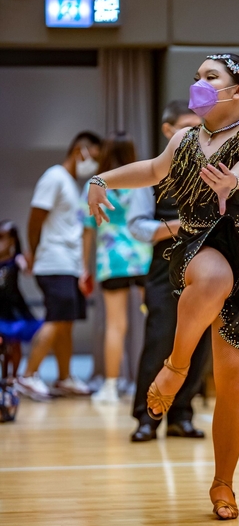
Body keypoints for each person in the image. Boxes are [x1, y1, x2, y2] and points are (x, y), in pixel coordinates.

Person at [88, 54, 239, 520]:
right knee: (213, 274)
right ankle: (177, 366)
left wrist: (233, 179)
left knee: (233, 385)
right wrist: (102, 179)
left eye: (210, 77)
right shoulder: (184, 138)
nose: (198, 83)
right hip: (199, 248)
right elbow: (152, 170)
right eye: (197, 76)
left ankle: (223, 483)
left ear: (238, 90)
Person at [127, 100, 209, 441]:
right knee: (160, 339)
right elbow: (138, 227)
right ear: (168, 130)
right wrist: (181, 225)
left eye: (200, 127)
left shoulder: (212, 169)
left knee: (199, 342)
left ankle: (181, 415)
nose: (196, 133)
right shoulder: (153, 173)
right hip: (164, 268)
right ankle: (147, 417)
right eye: (189, 126)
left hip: (205, 269)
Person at [20, 131, 102, 398]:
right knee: (55, 319)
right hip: (53, 262)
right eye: (94, 157)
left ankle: (64, 378)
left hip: (69, 265)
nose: (94, 164)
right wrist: (33, 253)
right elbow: (35, 219)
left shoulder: (71, 183)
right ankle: (27, 376)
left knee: (66, 322)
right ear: (80, 151)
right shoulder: (54, 177)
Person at [81, 132, 152, 403]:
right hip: (143, 257)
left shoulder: (95, 184)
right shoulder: (143, 178)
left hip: (111, 261)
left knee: (115, 325)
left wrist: (83, 267)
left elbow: (88, 229)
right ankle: (149, 384)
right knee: (153, 321)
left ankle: (110, 387)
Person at [0, 220, 42, 382]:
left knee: (14, 342)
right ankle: (5, 376)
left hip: (14, 308)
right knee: (4, 345)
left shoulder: (16, 259)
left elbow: (27, 270)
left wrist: (29, 261)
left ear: (12, 240)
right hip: (1, 308)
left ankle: (14, 376)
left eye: (3, 237)